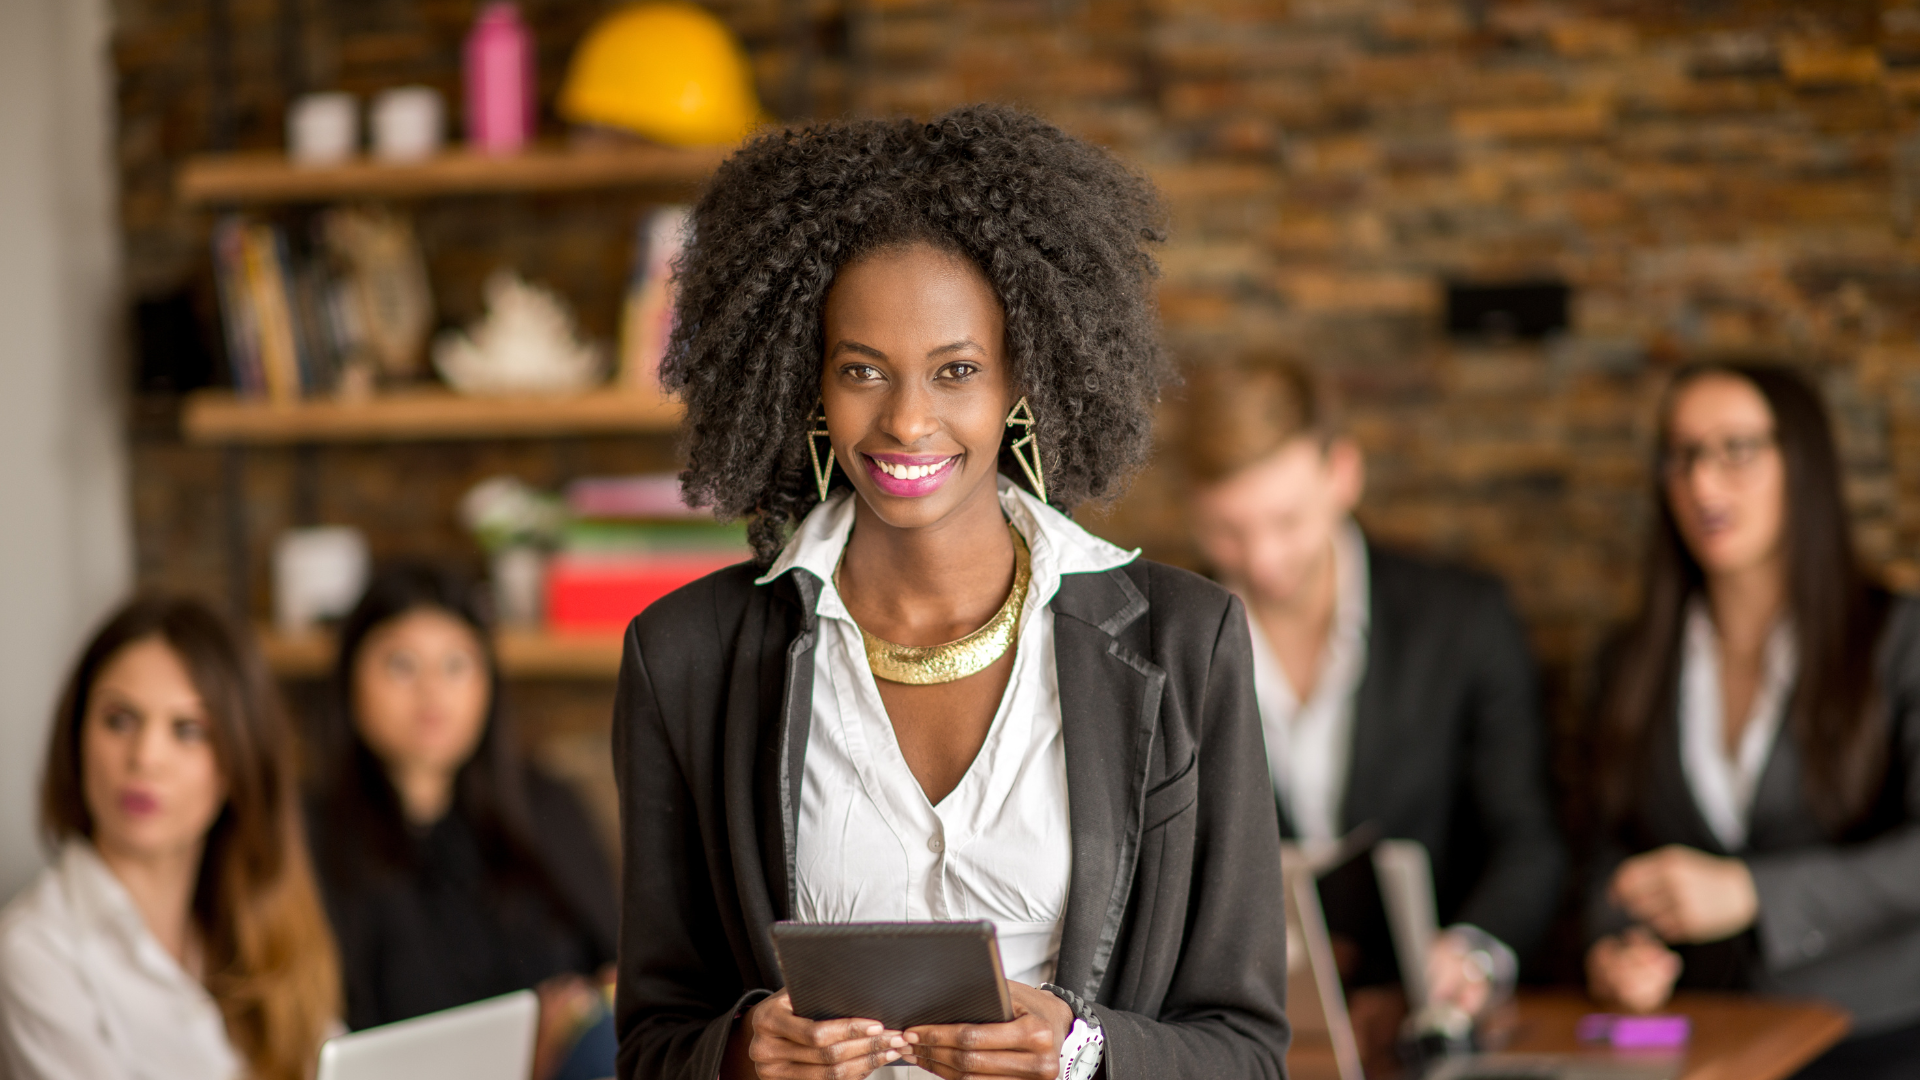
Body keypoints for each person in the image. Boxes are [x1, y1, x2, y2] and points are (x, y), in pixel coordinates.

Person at [615, 104, 1290, 1080]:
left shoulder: (1189, 644)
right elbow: (648, 1046)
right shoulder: (684, 657)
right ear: (809, 381)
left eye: (956, 371)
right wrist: (738, 1052)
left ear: (1024, 374)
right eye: (862, 371)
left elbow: (1249, 1056)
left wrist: (1083, 1053)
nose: (907, 422)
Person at [1183, 357, 1566, 1020]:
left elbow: (1527, 841)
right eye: (1229, 532)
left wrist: (1473, 953)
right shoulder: (1162, 640)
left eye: (1287, 522)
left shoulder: (1463, 620)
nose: (1263, 560)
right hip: (1242, 1030)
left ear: (1344, 475)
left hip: (1429, 1019)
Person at [1585, 363, 1920, 1079]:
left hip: (1877, 1037)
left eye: (1737, 450)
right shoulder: (1632, 659)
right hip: (1702, 1041)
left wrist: (1752, 893)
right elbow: (1600, 847)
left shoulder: (1898, 640)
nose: (1704, 485)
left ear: (1803, 463)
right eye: (1684, 456)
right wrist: (1615, 945)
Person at [0, 595, 340, 1080]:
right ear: (76, 737)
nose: (145, 757)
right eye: (119, 721)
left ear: (238, 763)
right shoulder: (37, 952)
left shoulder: (264, 922)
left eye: (187, 730)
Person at [304, 563, 618, 1080]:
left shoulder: (546, 809)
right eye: (401, 665)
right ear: (350, 680)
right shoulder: (308, 838)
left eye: (456, 665)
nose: (432, 692)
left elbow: (615, 967)